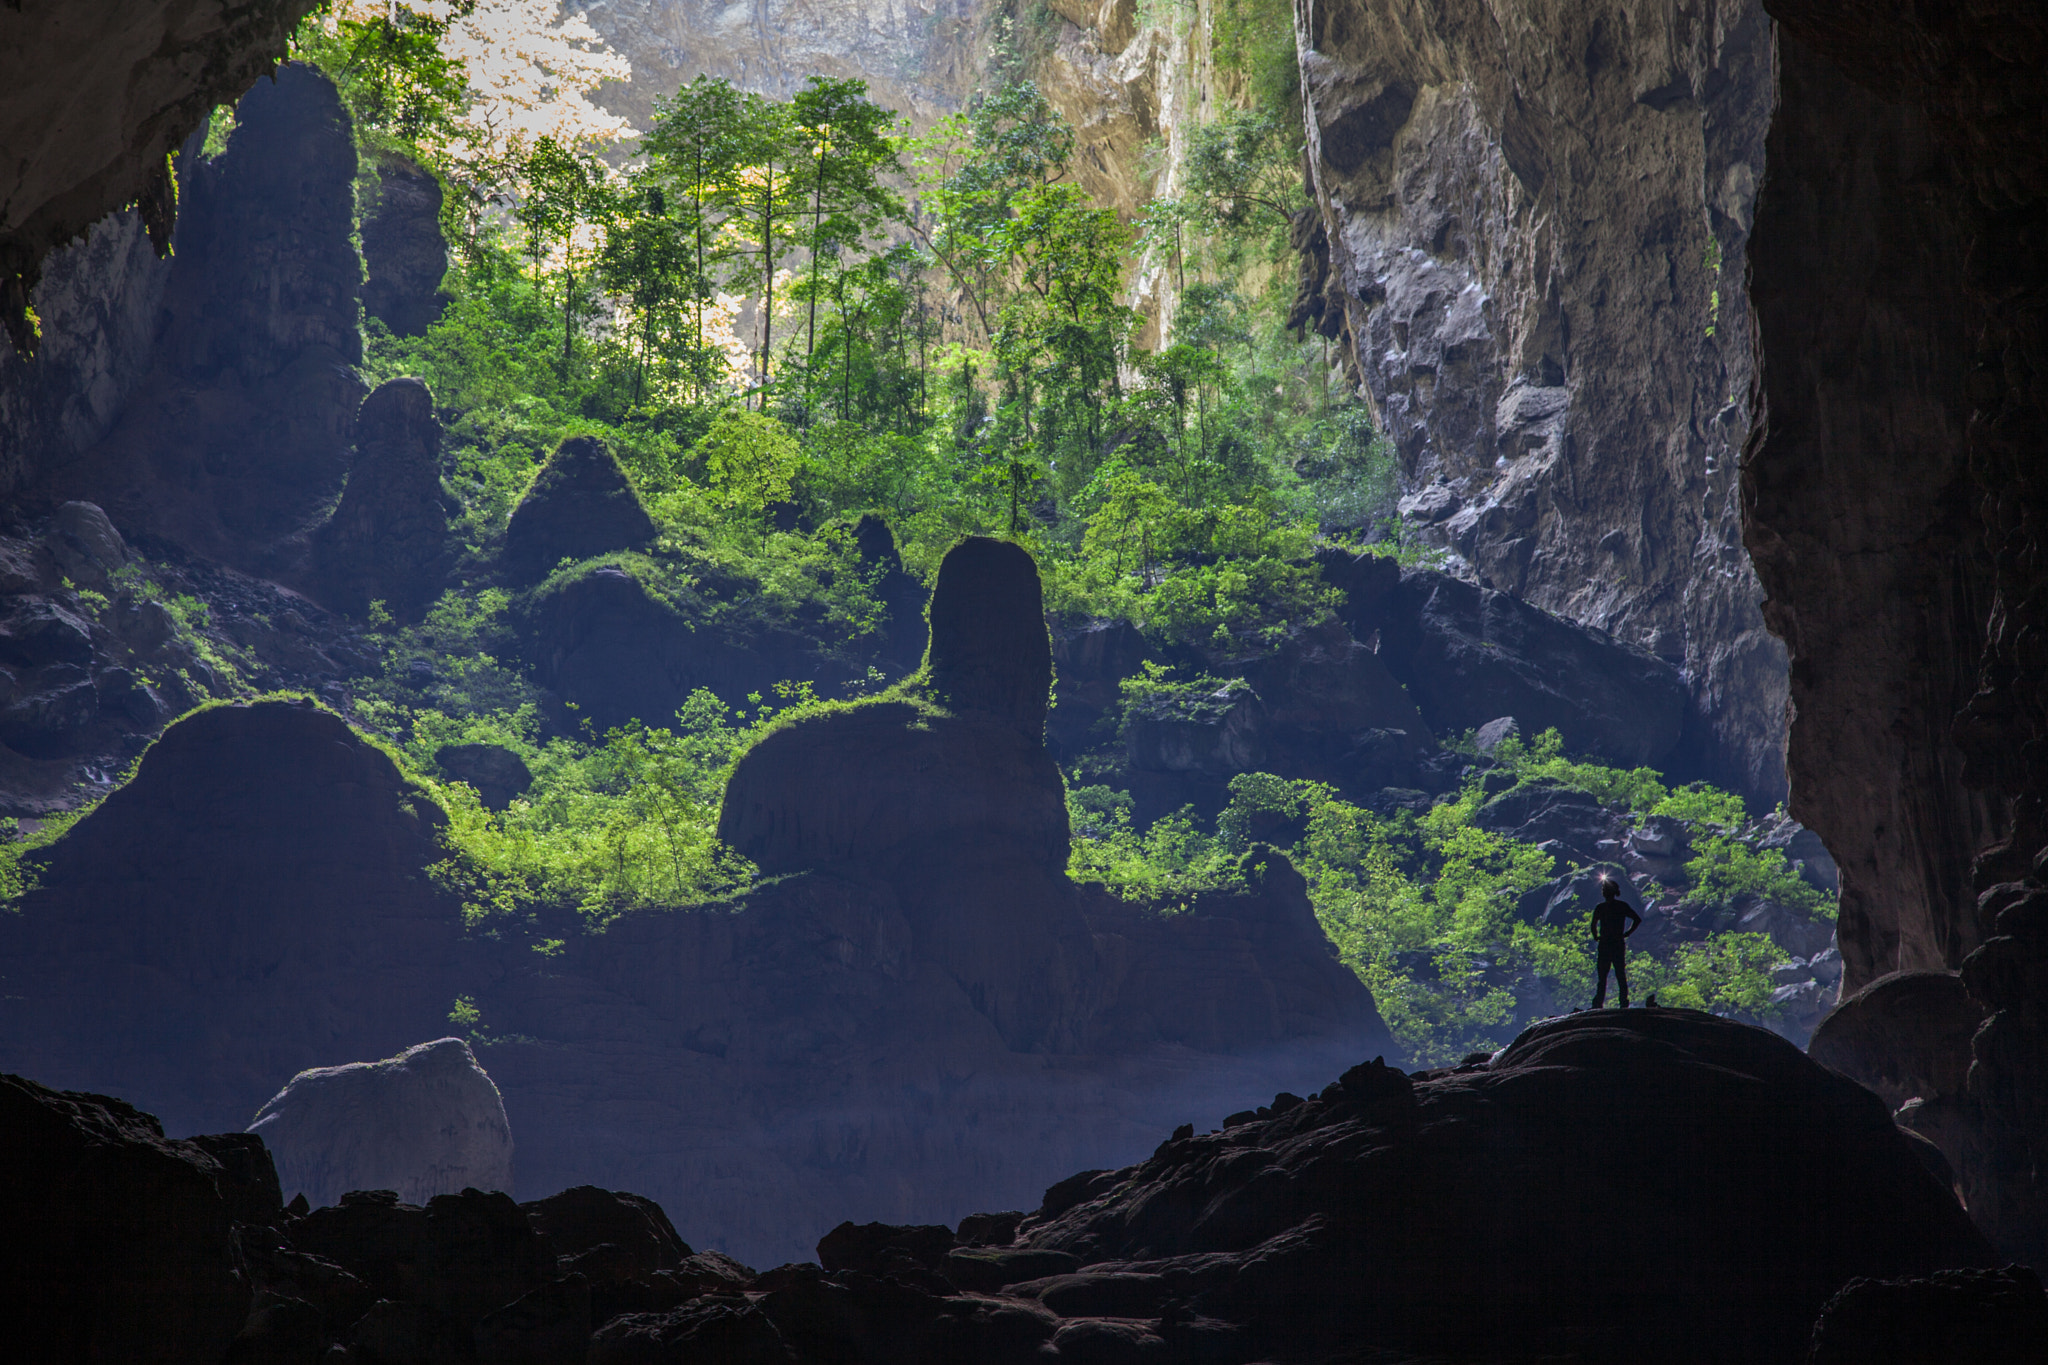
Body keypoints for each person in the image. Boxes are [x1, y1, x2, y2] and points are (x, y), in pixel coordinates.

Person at [1588, 877, 1642, 1009]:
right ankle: (1623, 1002)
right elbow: (1637, 919)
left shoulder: (1600, 907)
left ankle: (1598, 1003)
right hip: (1617, 943)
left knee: (1603, 976)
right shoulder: (1621, 906)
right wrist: (1627, 933)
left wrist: (1596, 936)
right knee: (1620, 974)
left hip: (1605, 944)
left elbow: (1593, 924)